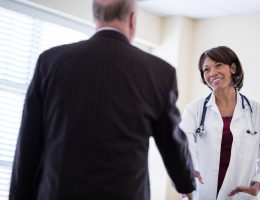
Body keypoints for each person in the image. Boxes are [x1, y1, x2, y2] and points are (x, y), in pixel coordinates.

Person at [9, 0, 196, 199]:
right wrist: (185, 183)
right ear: (132, 20)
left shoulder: (50, 62)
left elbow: (28, 144)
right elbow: (172, 141)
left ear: (96, 16)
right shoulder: (159, 73)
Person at [180, 46, 260, 200]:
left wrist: (258, 185)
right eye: (206, 69)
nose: (212, 72)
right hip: (203, 194)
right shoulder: (194, 110)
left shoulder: (258, 112)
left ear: (233, 68)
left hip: (241, 196)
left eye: (218, 65)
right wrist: (186, 173)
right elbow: (184, 147)